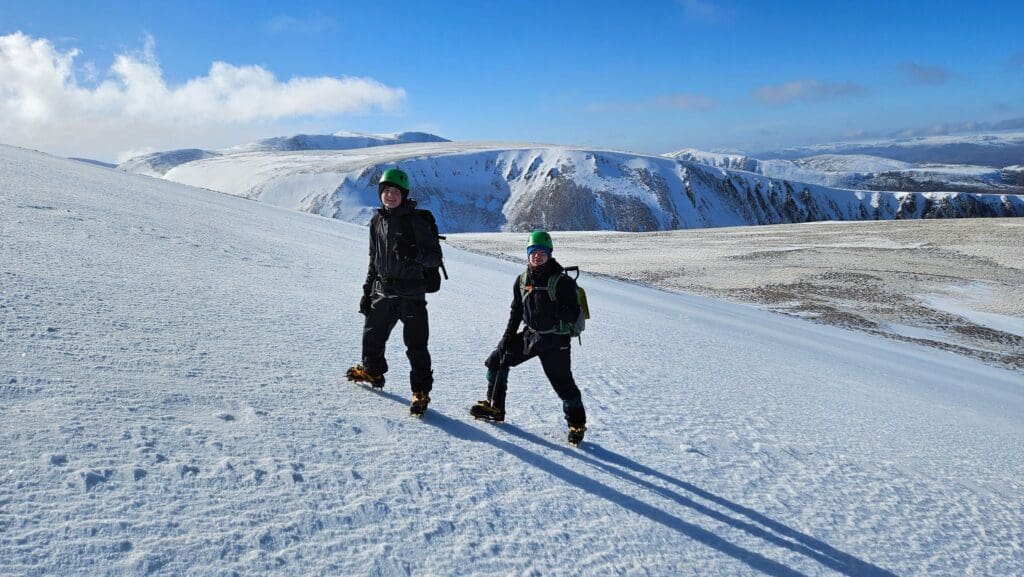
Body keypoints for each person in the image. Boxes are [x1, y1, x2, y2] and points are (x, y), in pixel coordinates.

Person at [470, 230, 588, 445]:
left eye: (542, 252)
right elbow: (516, 311)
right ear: (528, 254)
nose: (537, 256)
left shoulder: (561, 282)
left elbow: (573, 314)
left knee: (563, 384)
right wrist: (506, 338)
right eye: (533, 252)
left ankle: (576, 424)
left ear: (549, 255)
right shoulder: (522, 280)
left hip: (555, 340)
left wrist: (553, 308)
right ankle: (495, 406)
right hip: (530, 336)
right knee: (497, 360)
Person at [346, 168, 443, 416]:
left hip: (411, 294)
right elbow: (374, 259)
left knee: (416, 346)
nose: (390, 196)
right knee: (372, 335)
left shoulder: (416, 222)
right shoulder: (377, 221)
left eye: (395, 192)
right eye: (386, 191)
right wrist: (367, 291)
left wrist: (414, 252)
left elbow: (434, 258)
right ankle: (373, 371)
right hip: (382, 289)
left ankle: (420, 392)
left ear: (404, 195)